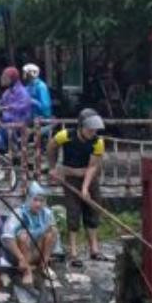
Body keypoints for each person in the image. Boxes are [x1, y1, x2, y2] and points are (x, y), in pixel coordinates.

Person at [47, 110, 106, 267]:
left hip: (89, 177)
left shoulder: (97, 142)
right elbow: (51, 147)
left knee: (93, 210)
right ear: (81, 127)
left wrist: (86, 188)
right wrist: (53, 168)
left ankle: (94, 248)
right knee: (73, 212)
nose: (92, 133)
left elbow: (93, 167)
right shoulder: (65, 135)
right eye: (89, 130)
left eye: (95, 130)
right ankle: (73, 252)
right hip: (71, 178)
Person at [1, 182, 60, 287]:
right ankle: (26, 270)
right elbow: (7, 237)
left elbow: (55, 237)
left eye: (41, 201)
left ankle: (44, 265)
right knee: (23, 235)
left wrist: (54, 252)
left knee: (52, 231)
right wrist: (20, 257)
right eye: (35, 200)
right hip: (21, 255)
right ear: (29, 199)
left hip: (38, 251)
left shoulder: (47, 213)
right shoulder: (18, 213)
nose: (38, 204)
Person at [0, 66, 33, 154]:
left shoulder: (22, 92)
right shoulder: (7, 93)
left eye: (6, 77)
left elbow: (23, 106)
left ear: (12, 78)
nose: (3, 79)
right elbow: (0, 103)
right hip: (8, 122)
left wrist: (8, 108)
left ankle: (11, 150)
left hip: (19, 123)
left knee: (3, 128)